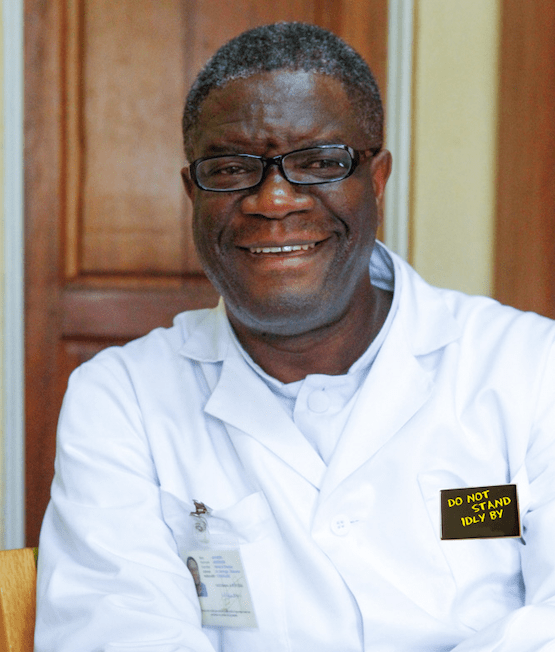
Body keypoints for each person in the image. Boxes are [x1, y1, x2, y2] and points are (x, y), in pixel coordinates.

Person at [35, 22, 555, 652]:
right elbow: (114, 634)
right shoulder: (122, 400)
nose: (274, 200)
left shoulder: (529, 369)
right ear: (192, 192)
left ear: (378, 178)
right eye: (230, 168)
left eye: (318, 163)